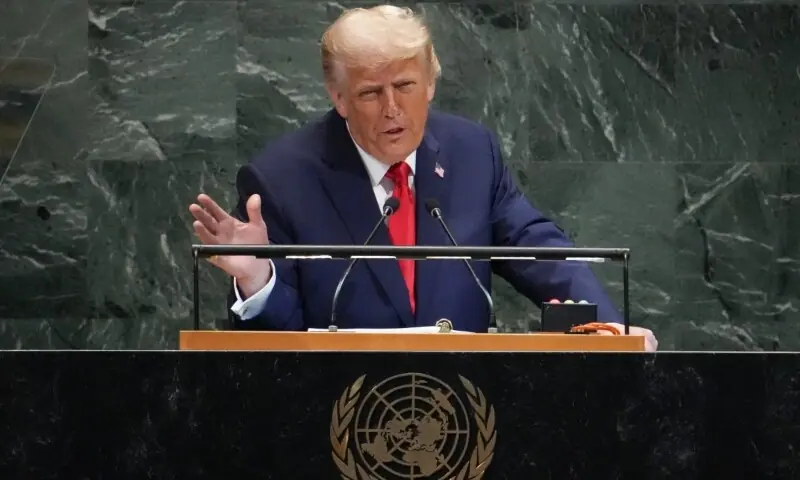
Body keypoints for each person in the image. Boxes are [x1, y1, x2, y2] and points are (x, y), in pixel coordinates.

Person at [188, 5, 657, 351]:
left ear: (430, 82)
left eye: (405, 86)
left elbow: (537, 248)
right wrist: (257, 278)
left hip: (469, 406)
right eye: (371, 93)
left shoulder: (472, 153)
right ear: (339, 97)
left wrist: (608, 331)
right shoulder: (281, 178)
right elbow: (275, 348)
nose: (392, 108)